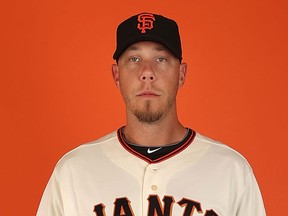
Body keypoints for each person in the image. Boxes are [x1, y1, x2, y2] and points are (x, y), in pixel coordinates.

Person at [36, 12, 266, 216]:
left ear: (181, 74)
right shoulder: (73, 173)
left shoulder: (231, 172)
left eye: (161, 59)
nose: (147, 73)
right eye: (134, 59)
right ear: (117, 75)